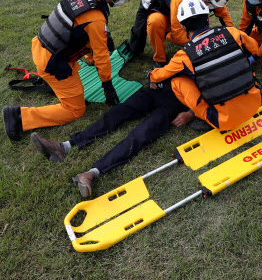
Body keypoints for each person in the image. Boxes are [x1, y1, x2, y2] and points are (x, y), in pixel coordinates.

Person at [3, 0, 134, 142]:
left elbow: (78, 32)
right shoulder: (95, 18)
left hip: (42, 46)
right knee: (76, 110)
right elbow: (102, 57)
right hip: (53, 63)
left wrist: (92, 54)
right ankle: (19, 117)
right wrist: (108, 87)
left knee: (78, 88)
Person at [30, 77, 193, 197]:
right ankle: (64, 147)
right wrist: (153, 76)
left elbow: (214, 94)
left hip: (173, 106)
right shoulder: (188, 49)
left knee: (140, 135)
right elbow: (166, 66)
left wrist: (190, 113)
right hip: (157, 89)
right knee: (117, 113)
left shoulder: (212, 57)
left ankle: (91, 173)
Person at [149, 0, 262, 132]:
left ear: (182, 26)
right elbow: (255, 48)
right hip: (255, 102)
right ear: (208, 19)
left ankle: (207, 117)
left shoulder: (184, 55)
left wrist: (151, 75)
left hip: (224, 120)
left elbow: (160, 75)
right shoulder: (231, 32)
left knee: (177, 80)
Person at [129, 0, 233, 67]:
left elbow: (224, 15)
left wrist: (232, 37)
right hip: (170, 21)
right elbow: (178, 33)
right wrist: (204, 42)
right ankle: (160, 58)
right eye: (212, 5)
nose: (215, 7)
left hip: (186, 21)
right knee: (154, 21)